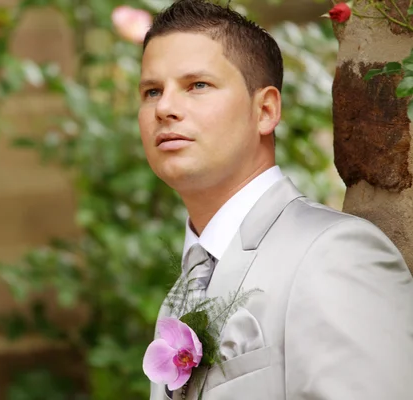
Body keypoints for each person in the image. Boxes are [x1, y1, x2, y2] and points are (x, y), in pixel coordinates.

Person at [137, 0, 413, 399]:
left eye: (197, 85)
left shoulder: (335, 254)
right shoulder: (180, 296)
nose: (164, 108)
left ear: (265, 110)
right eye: (151, 91)